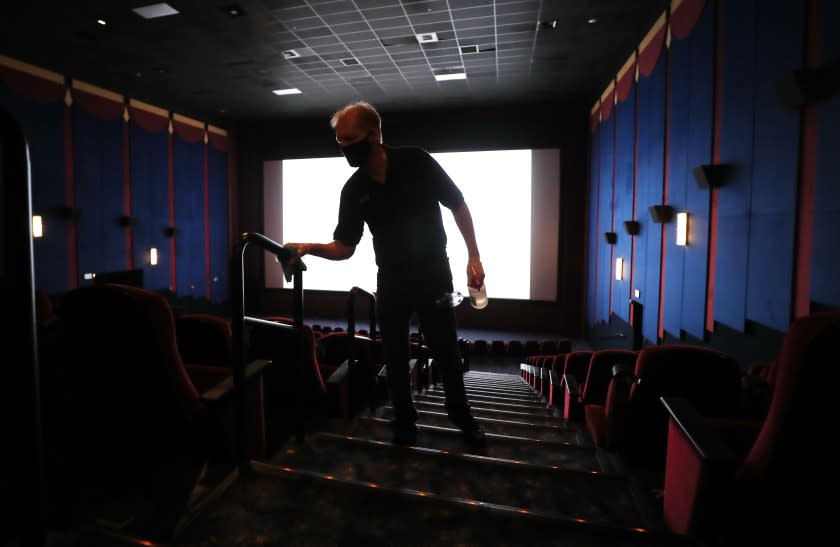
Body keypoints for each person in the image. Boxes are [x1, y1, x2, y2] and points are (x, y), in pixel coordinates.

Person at [284, 100, 486, 451]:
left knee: (446, 351)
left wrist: (474, 256)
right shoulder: (352, 189)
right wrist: (310, 247)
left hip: (434, 273)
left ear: (374, 134)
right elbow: (345, 247)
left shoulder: (417, 160)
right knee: (393, 356)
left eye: (350, 138)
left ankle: (461, 415)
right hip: (391, 280)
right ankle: (405, 423)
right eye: (339, 142)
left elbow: (457, 203)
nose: (344, 147)